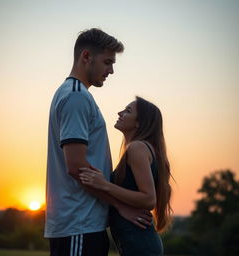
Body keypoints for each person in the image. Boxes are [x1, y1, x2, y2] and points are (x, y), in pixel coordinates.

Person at [44, 28, 152, 256]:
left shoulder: (75, 94)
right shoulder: (76, 96)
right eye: (107, 62)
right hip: (78, 224)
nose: (111, 70)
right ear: (86, 56)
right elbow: (77, 167)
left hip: (83, 224)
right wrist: (121, 206)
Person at [79, 96, 173, 256]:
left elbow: (149, 199)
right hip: (138, 243)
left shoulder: (138, 148)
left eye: (128, 111)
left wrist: (105, 184)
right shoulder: (144, 149)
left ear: (139, 123)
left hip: (140, 244)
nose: (120, 112)